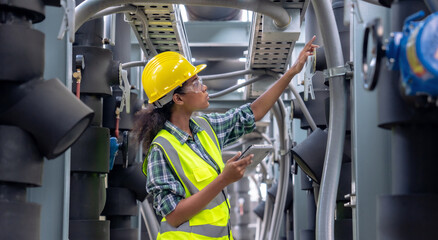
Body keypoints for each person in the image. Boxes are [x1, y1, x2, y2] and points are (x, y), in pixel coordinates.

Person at [134, 36, 317, 240]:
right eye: (195, 84)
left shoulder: (205, 128)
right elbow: (174, 216)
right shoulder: (161, 149)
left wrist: (292, 72)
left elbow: (252, 112)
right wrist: (223, 179)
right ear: (177, 98)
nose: (203, 87)